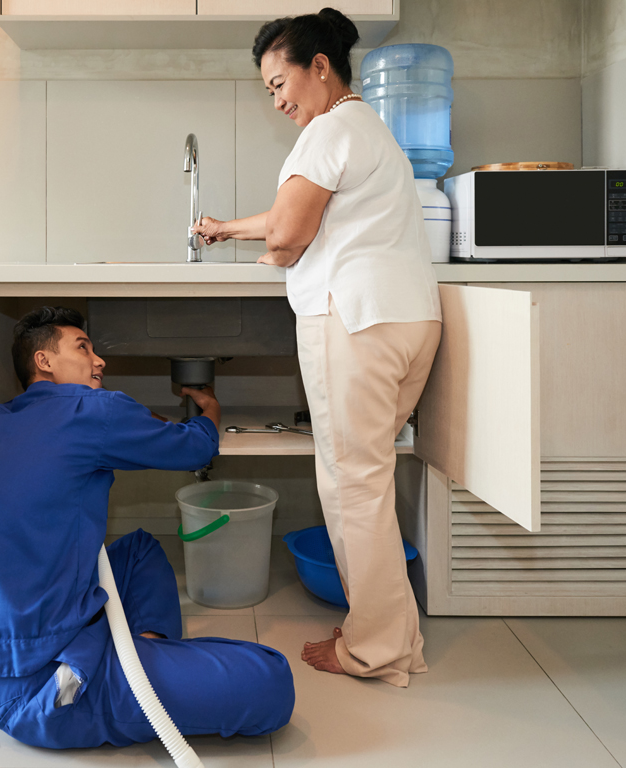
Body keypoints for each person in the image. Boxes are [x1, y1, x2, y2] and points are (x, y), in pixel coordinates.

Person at [192, 8, 442, 688]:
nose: (277, 101)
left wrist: (275, 249)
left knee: (353, 486)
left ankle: (375, 649)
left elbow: (288, 235)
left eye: (280, 83)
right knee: (369, 480)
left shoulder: (325, 131)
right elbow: (296, 219)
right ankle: (392, 637)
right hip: (408, 322)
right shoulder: (368, 129)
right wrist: (227, 229)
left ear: (320, 67)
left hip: (355, 324)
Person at [0, 306, 294, 749]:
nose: (100, 360)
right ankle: (136, 678)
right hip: (49, 689)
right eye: (83, 348)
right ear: (44, 361)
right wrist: (210, 410)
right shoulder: (93, 410)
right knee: (272, 680)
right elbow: (194, 447)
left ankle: (139, 658)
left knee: (140, 551)